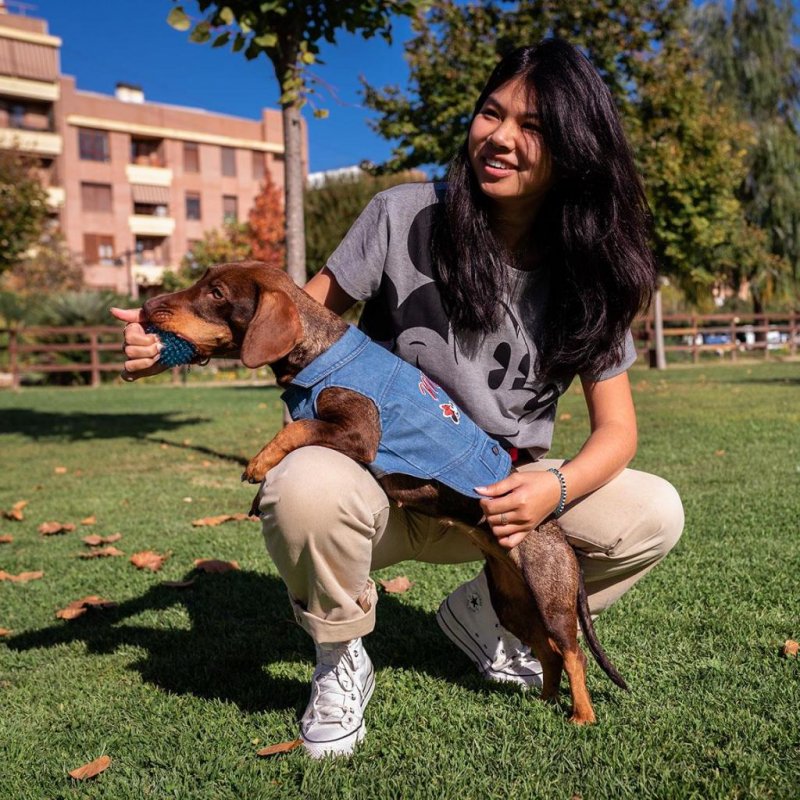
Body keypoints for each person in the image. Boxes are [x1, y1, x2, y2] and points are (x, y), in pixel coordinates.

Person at [113, 39, 684, 759]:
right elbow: (291, 323)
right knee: (300, 487)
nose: (501, 137)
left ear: (575, 151)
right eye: (491, 112)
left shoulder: (590, 273)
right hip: (381, 489)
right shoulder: (402, 216)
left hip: (501, 498)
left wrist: (553, 485)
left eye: (533, 126)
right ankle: (340, 658)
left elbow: (618, 433)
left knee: (655, 512)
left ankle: (487, 617)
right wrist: (172, 345)